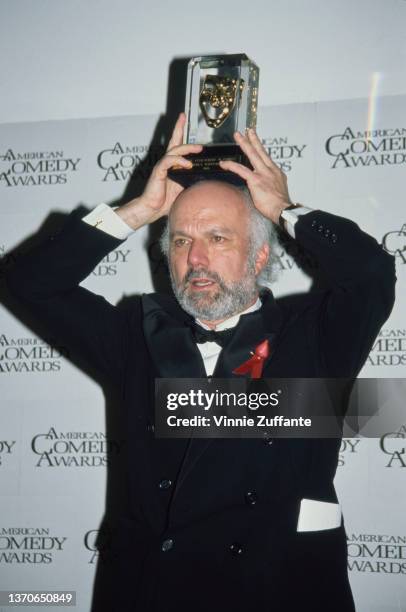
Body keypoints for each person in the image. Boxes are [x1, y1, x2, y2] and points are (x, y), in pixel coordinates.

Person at [5, 113, 396, 612]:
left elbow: (371, 274)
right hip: (153, 592)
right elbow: (28, 284)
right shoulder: (136, 334)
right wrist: (138, 210)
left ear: (258, 257)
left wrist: (283, 207)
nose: (196, 259)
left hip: (278, 588)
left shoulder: (312, 336)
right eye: (182, 241)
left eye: (218, 238)